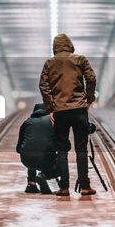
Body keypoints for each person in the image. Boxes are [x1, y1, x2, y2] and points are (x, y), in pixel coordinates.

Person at [39, 33, 97, 197]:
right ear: (70, 45)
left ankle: (64, 188)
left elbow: (43, 86)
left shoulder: (49, 63)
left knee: (62, 150)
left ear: (55, 47)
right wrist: (88, 100)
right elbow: (91, 79)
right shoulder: (80, 59)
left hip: (60, 111)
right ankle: (85, 186)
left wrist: (51, 108)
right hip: (79, 109)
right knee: (81, 149)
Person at [16, 103, 60, 194]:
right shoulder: (52, 122)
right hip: (46, 159)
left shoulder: (26, 122)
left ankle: (31, 184)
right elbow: (58, 145)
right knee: (61, 163)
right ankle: (44, 175)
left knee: (31, 151)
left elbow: (18, 148)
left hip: (26, 160)